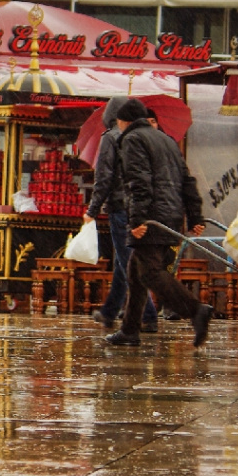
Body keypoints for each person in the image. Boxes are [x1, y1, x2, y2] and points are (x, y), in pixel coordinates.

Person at [105, 99, 212, 347]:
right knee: (135, 272)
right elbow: (187, 180)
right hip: (172, 216)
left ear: (123, 121)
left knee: (151, 272)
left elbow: (138, 182)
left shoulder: (132, 139)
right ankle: (130, 330)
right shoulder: (166, 140)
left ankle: (195, 310)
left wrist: (137, 220)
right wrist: (195, 215)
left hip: (152, 216)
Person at [85, 97, 159, 332]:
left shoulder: (111, 137)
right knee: (123, 261)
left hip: (120, 208)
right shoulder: (148, 138)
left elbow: (104, 177)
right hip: (144, 208)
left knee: (128, 262)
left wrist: (92, 210)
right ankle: (109, 311)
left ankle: (148, 315)